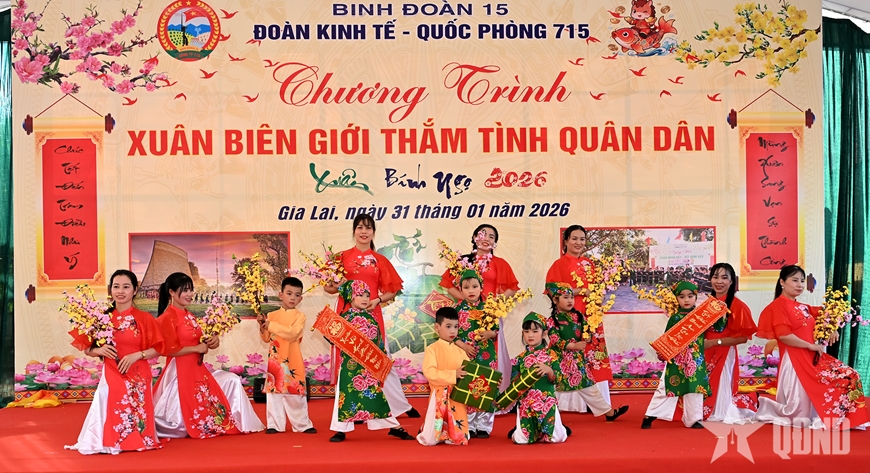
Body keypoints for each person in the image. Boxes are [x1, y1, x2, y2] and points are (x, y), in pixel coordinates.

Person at [325, 214, 419, 419]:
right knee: (346, 361)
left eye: (368, 228)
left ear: (373, 232)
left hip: (371, 314)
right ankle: (350, 409)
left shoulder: (380, 260)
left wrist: (377, 300)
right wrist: (338, 285)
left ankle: (400, 405)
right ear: (354, 231)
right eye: (360, 227)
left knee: (379, 359)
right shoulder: (341, 258)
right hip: (346, 313)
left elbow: (392, 290)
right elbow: (328, 287)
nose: (364, 231)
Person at [755, 265, 870, 430]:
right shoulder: (778, 306)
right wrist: (810, 345)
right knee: (798, 414)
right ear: (782, 282)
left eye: (802, 281)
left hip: (812, 357)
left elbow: (828, 315)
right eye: (795, 280)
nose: (799, 284)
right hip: (795, 360)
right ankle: (824, 416)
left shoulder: (804, 307)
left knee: (850, 375)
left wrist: (832, 327)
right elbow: (784, 336)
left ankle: (844, 417)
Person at [152, 272, 264, 438]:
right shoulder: (167, 317)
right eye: (185, 290)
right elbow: (169, 350)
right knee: (182, 422)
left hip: (197, 369)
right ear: (172, 292)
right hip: (180, 372)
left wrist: (211, 342)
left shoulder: (189, 315)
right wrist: (197, 348)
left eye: (191, 290)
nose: (190, 294)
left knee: (232, 380)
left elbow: (195, 341)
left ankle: (240, 421)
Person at [65, 270, 165, 455]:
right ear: (110, 290)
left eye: (126, 287)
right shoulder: (100, 318)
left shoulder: (144, 318)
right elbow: (87, 348)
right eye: (116, 287)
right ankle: (109, 440)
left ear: (135, 290)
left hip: (138, 373)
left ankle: (136, 437)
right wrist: (99, 350)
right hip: (112, 370)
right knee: (110, 393)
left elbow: (159, 348)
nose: (120, 291)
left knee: (135, 405)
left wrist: (138, 355)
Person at [328, 280, 415, 442]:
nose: (365, 298)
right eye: (360, 294)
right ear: (351, 296)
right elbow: (335, 339)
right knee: (344, 396)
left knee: (375, 396)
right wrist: (327, 327)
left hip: (368, 366)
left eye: (367, 295)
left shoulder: (371, 317)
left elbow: (378, 341)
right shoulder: (344, 318)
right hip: (349, 366)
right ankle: (340, 430)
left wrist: (380, 360)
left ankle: (394, 427)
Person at [440, 224, 519, 398]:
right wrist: (464, 299)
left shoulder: (499, 263)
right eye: (483, 234)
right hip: (466, 315)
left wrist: (495, 303)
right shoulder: (463, 262)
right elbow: (448, 285)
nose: (486, 239)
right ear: (475, 238)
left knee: (492, 354)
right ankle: (466, 397)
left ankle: (492, 396)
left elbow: (512, 288)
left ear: (495, 242)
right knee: (465, 354)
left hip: (489, 315)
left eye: (491, 236)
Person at [545, 225, 613, 411]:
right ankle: (570, 403)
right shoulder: (559, 264)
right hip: (571, 317)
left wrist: (597, 297)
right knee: (572, 355)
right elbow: (552, 291)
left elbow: (596, 288)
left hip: (591, 316)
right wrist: (581, 291)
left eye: (582, 239)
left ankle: (596, 403)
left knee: (594, 355)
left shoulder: (589, 264)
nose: (578, 242)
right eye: (574, 238)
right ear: (566, 241)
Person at [642, 281, 723, 429]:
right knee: (667, 385)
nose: (686, 300)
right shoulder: (675, 318)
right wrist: (663, 352)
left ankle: (694, 419)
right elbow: (667, 338)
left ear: (696, 296)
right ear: (677, 298)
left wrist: (719, 311)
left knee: (695, 387)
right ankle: (651, 414)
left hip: (695, 359)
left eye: (690, 296)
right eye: (682, 297)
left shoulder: (702, 316)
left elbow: (719, 327)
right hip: (676, 359)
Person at [545, 282, 629, 422]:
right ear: (555, 300)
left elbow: (586, 331)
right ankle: (547, 417)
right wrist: (573, 345)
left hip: (576, 360)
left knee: (589, 387)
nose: (570, 300)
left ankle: (609, 412)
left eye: (571, 297)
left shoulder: (578, 316)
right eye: (565, 297)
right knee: (552, 388)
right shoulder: (552, 320)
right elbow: (555, 340)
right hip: (558, 360)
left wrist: (587, 337)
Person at [259, 276, 316, 434]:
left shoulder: (300, 316)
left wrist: (270, 325)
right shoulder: (271, 315)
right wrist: (262, 326)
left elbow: (293, 334)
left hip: (292, 357)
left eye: (297, 295)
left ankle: (302, 424)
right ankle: (274, 425)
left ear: (300, 299)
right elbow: (266, 338)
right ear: (281, 295)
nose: (292, 298)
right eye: (289, 293)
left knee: (295, 392)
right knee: (274, 393)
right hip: (275, 358)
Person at [702, 263, 758, 423]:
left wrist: (715, 342)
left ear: (731, 281)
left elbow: (743, 338)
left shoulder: (738, 306)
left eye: (724, 277)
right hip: (706, 351)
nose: (719, 281)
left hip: (724, 351)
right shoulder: (707, 304)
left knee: (721, 384)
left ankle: (720, 409)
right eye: (715, 277)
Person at [451, 270, 497, 437]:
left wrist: (491, 334)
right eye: (466, 287)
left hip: (486, 354)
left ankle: (484, 425)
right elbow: (451, 335)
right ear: (460, 290)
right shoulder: (456, 310)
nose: (471, 290)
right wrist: (463, 346)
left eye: (475, 286)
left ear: (481, 288)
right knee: (468, 387)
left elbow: (497, 331)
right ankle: (468, 424)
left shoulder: (489, 308)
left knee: (486, 387)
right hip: (465, 354)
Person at [511, 312, 568, 444]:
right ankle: (520, 430)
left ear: (544, 334)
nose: (530, 335)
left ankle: (559, 428)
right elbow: (513, 383)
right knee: (521, 440)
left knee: (557, 438)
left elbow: (559, 379)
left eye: (535, 331)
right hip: (526, 404)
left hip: (546, 401)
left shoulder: (551, 354)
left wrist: (549, 371)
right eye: (526, 331)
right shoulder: (519, 359)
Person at [416, 306, 470, 446]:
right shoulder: (432, 349)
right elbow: (430, 372)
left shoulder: (460, 351)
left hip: (456, 394)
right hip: (439, 395)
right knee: (430, 439)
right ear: (437, 327)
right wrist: (453, 374)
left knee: (461, 438)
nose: (452, 331)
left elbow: (469, 371)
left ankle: (453, 435)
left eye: (456, 327)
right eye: (448, 326)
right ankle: (428, 429)